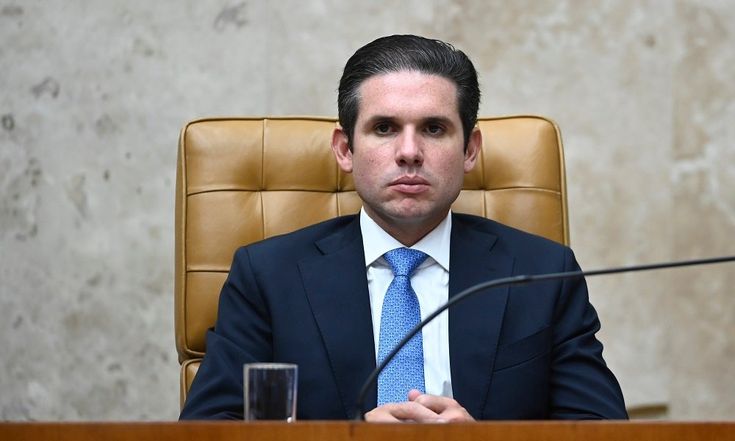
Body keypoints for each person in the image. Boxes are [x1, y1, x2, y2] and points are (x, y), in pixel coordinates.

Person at [179, 34, 628, 422]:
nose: (409, 151)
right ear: (345, 150)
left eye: (433, 128)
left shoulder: (544, 274)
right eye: (384, 128)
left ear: (470, 150)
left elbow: (601, 429)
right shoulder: (268, 276)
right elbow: (209, 429)